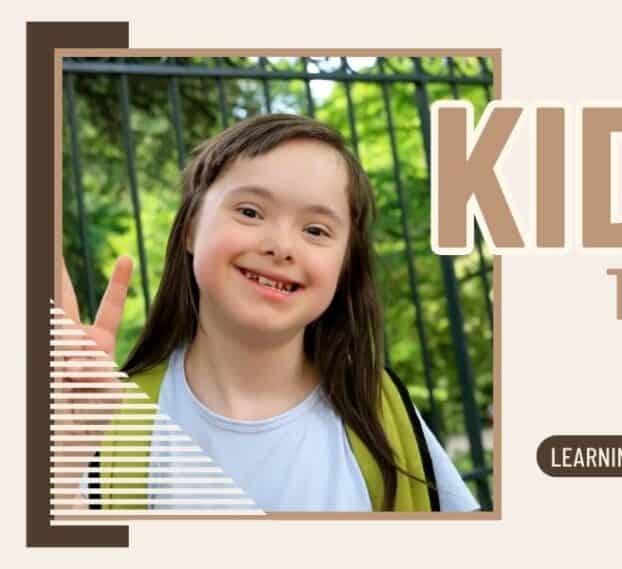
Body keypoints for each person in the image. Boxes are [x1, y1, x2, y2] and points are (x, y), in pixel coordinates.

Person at [57, 113, 480, 512]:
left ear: (344, 264)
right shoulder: (108, 421)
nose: (281, 246)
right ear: (189, 229)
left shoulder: (379, 408)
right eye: (250, 212)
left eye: (315, 230)